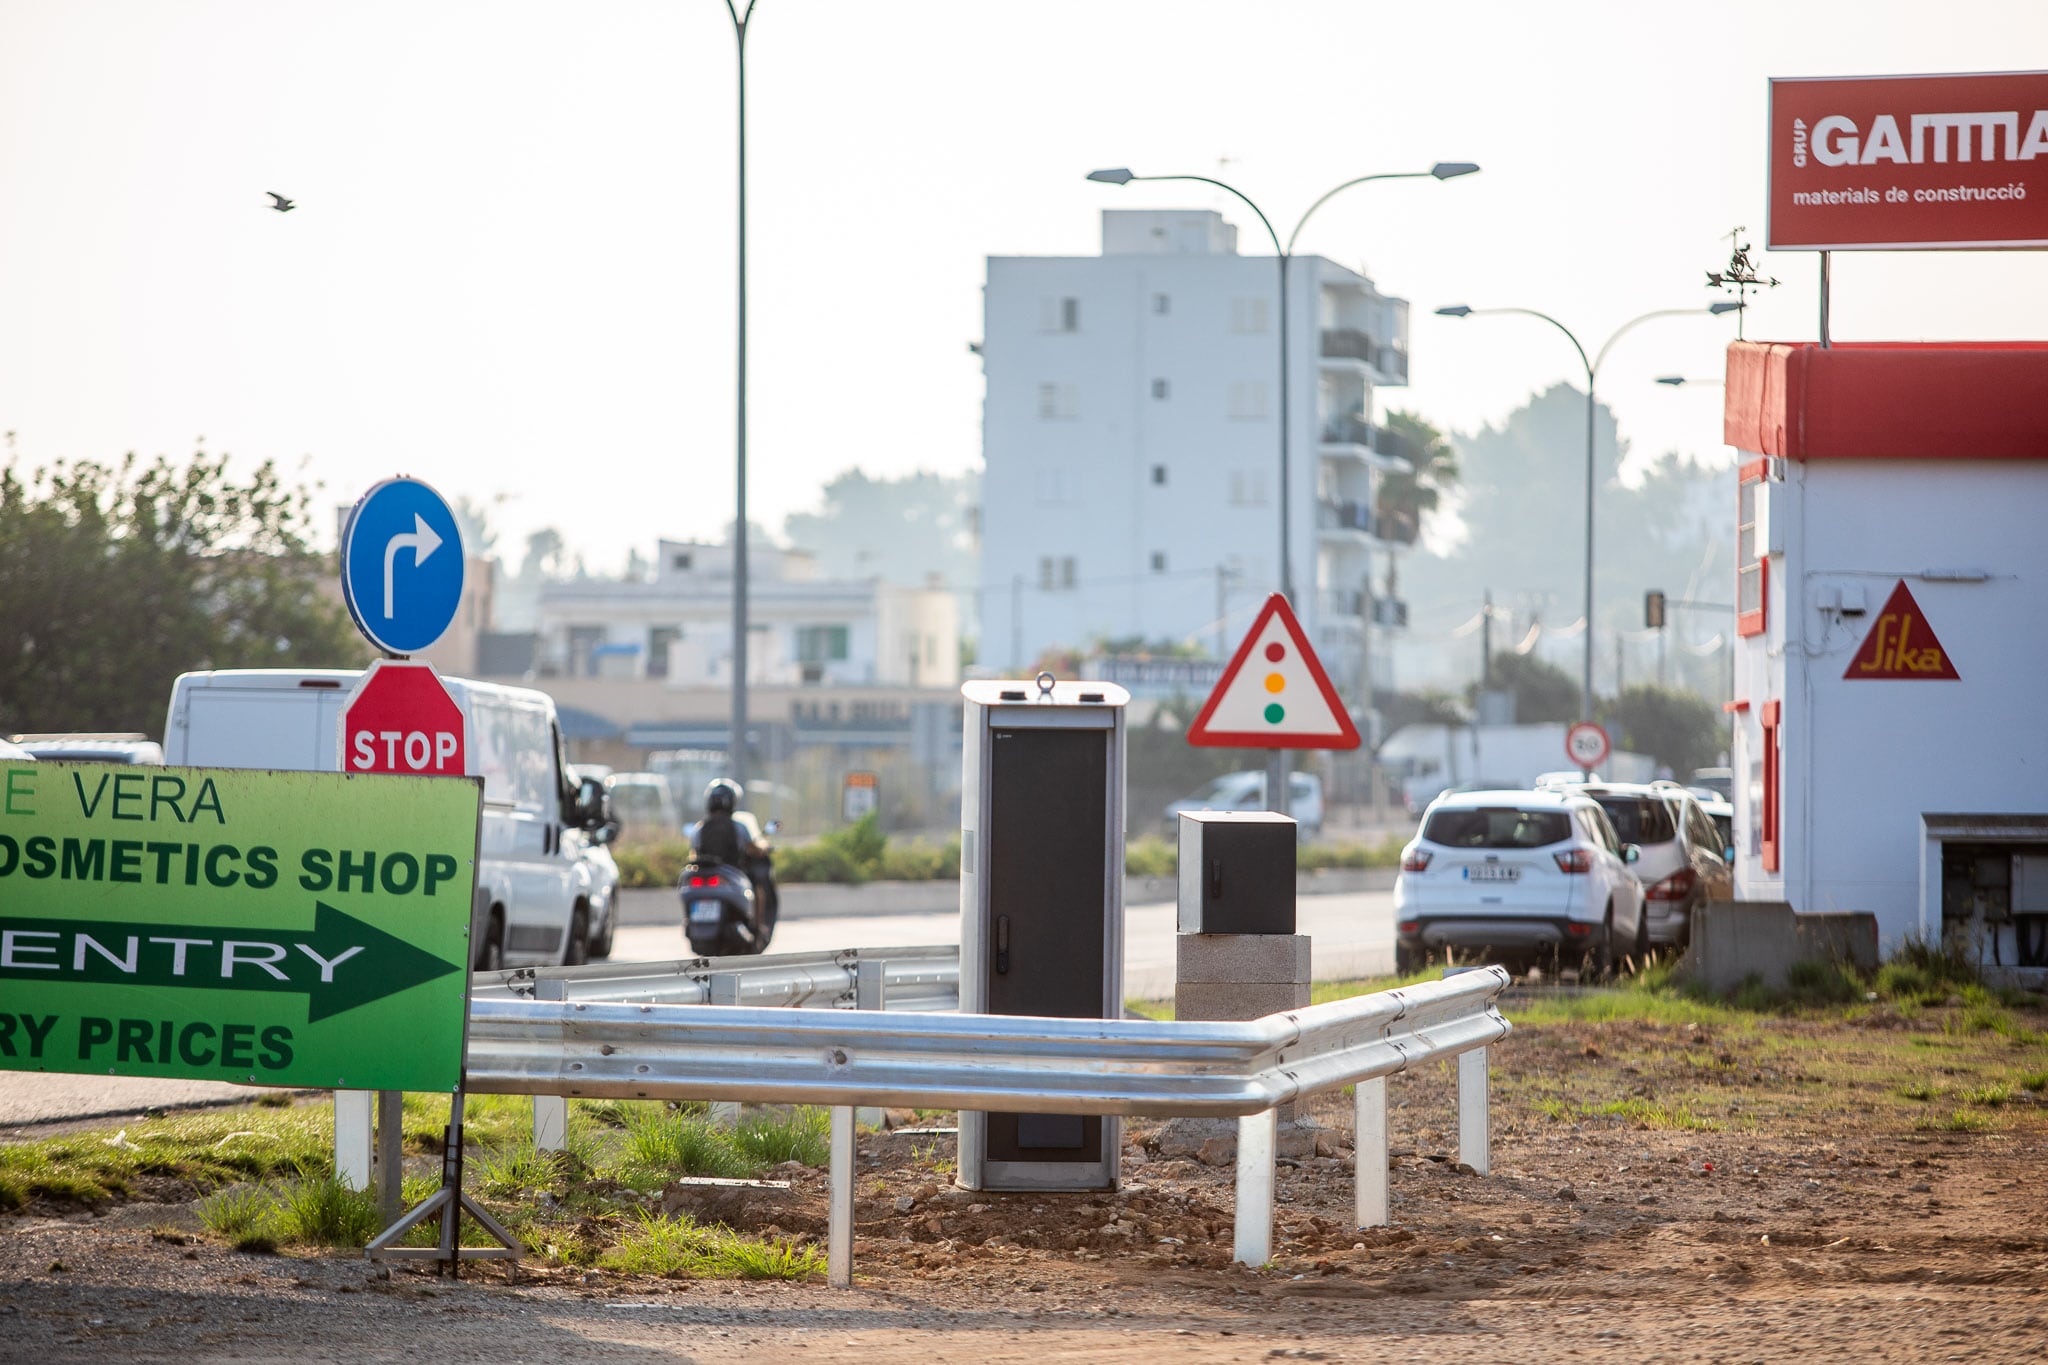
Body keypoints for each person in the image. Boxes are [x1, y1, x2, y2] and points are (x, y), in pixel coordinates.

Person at [692, 778, 778, 931]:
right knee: (758, 887)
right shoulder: (738, 826)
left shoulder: (699, 828)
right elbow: (752, 848)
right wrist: (764, 848)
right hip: (733, 874)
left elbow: (693, 853)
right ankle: (758, 928)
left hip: (704, 875)